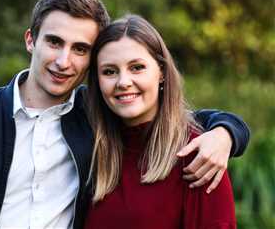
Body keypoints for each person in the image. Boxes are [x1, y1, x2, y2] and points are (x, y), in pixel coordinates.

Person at [0, 0, 248, 229]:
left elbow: (163, 118)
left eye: (80, 49)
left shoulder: (92, 118)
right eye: (54, 42)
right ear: (31, 40)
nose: (64, 61)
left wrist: (226, 132)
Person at [84, 14, 237, 229]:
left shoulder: (198, 156)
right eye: (109, 71)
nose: (123, 82)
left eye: (137, 67)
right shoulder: (88, 144)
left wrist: (227, 132)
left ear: (162, 72)